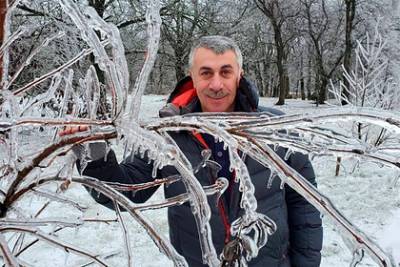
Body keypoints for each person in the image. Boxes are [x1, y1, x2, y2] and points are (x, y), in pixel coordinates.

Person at [60, 36, 322, 267]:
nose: (216, 84)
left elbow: (304, 204)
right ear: (192, 77)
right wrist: (93, 154)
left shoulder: (276, 129)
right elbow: (128, 191)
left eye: (225, 72)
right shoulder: (166, 134)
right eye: (206, 73)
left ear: (239, 74)